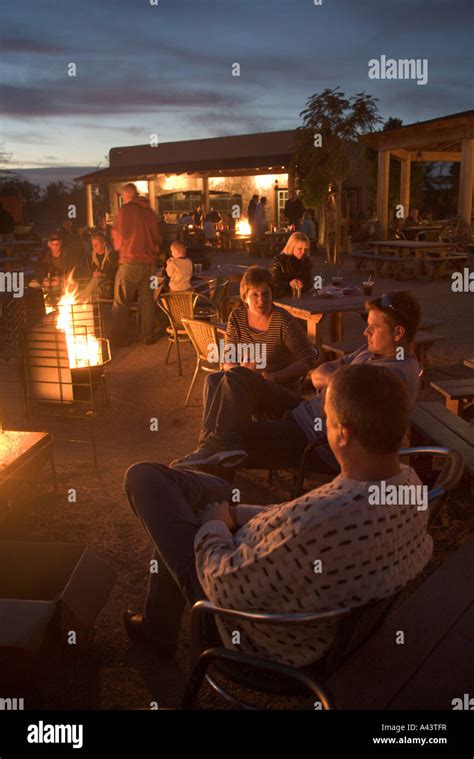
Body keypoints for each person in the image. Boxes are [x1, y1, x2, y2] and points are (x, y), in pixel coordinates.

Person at [123, 364, 433, 666]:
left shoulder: (321, 524)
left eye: (328, 419)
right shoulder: (409, 486)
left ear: (343, 435)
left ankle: (157, 630)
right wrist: (235, 512)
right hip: (319, 612)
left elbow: (221, 582)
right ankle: (157, 625)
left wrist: (215, 526)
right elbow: (297, 517)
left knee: (145, 478)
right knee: (209, 489)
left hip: (250, 630)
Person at [173, 290, 422, 475]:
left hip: (316, 441)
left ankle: (209, 468)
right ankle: (212, 449)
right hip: (303, 411)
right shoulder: (372, 352)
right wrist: (338, 379)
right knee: (225, 378)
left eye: (373, 328)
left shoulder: (396, 374)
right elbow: (318, 373)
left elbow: (335, 385)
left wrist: (335, 378)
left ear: (399, 333)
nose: (364, 333)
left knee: (232, 435)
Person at [171, 265, 319, 469]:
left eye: (265, 294)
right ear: (244, 297)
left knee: (232, 377)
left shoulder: (283, 320)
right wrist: (241, 372)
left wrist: (275, 376)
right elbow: (227, 360)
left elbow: (309, 359)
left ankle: (214, 448)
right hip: (247, 385)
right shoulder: (237, 318)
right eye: (255, 295)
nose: (261, 300)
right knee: (213, 379)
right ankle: (206, 448)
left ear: (271, 293)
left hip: (279, 389)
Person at [111, 183, 161, 346]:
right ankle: (147, 335)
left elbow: (118, 236)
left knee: (121, 301)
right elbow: (158, 238)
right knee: (147, 299)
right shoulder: (150, 212)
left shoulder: (125, 210)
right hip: (150, 265)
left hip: (130, 261)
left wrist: (119, 247)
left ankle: (120, 338)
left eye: (123, 197)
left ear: (127, 195)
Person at [270, 232, 313, 297]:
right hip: (282, 297)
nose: (303, 252)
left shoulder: (307, 261)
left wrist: (301, 281)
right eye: (300, 249)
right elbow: (273, 282)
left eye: (306, 249)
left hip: (302, 297)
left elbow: (309, 282)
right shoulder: (279, 260)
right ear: (292, 247)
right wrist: (289, 284)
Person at [78, 232, 118, 301]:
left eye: (97, 244)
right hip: (98, 286)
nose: (94, 246)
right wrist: (92, 273)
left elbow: (115, 273)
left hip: (110, 285)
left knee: (97, 279)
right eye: (93, 244)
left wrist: (102, 274)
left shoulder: (112, 256)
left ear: (104, 244)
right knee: (95, 279)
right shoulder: (91, 257)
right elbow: (88, 272)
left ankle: (81, 298)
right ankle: (83, 298)